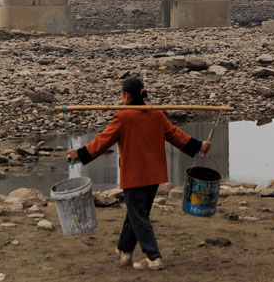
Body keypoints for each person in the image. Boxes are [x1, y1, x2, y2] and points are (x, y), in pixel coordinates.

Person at [68, 77, 212, 271]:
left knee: (138, 217)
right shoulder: (157, 115)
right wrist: (199, 145)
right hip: (154, 175)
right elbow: (175, 134)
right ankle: (124, 251)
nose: (120, 98)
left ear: (127, 96)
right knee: (136, 214)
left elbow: (103, 140)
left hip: (135, 176)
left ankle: (154, 257)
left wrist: (80, 153)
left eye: (121, 94)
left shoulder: (123, 117)